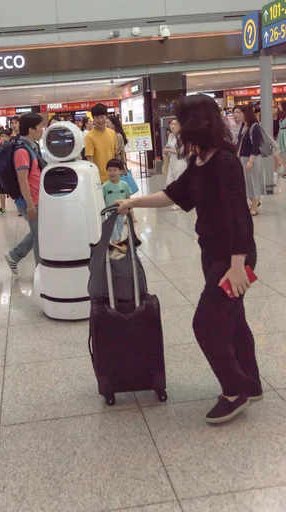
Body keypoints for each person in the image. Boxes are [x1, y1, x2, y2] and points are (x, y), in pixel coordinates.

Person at [117, 94, 262, 425]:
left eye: (181, 120)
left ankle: (234, 391)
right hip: (213, 254)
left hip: (232, 257)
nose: (177, 127)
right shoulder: (200, 161)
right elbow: (173, 194)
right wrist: (133, 203)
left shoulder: (223, 162)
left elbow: (239, 216)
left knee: (206, 324)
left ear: (196, 123)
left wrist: (238, 265)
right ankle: (251, 385)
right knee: (234, 321)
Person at [4, 112, 45, 276]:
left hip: (36, 199)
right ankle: (40, 272)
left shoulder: (32, 147)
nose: (43, 130)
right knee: (39, 236)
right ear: (31, 129)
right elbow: (23, 180)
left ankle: (14, 256)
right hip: (30, 201)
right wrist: (30, 205)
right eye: (40, 127)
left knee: (38, 232)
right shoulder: (22, 151)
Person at [238, 105, 265, 216]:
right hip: (243, 158)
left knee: (254, 183)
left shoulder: (255, 127)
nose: (237, 115)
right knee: (247, 183)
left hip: (251, 159)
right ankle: (255, 202)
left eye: (240, 113)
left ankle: (254, 207)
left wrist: (251, 161)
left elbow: (255, 145)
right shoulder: (243, 126)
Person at [85, 103, 118, 183]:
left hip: (113, 178)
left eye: (102, 117)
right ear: (93, 119)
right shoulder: (89, 136)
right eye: (97, 118)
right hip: (99, 180)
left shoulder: (112, 133)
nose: (100, 120)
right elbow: (90, 161)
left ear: (106, 117)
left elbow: (115, 154)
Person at [103, 159, 131, 242]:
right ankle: (115, 248)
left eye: (115, 170)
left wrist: (130, 209)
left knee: (119, 231)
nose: (112, 172)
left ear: (121, 171)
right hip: (109, 214)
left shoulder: (124, 185)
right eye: (109, 170)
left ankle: (117, 247)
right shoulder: (105, 186)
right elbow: (101, 199)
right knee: (113, 232)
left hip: (121, 213)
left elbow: (128, 197)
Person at [163, 119, 188, 211]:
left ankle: (180, 203)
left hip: (180, 162)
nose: (172, 126)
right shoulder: (170, 136)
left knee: (179, 182)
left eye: (175, 124)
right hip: (171, 162)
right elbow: (168, 146)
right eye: (171, 124)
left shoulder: (182, 137)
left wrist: (168, 150)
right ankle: (175, 200)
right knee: (170, 182)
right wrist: (166, 149)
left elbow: (181, 152)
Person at [0, 130, 11, 214]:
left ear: (9, 138)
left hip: (10, 171)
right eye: (2, 136)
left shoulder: (11, 146)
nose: (4, 138)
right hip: (1, 172)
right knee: (1, 190)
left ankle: (20, 207)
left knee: (15, 190)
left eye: (5, 136)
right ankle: (3, 207)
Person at [276, 101, 286, 178]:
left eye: (279, 105)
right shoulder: (281, 115)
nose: (278, 106)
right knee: (277, 153)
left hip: (284, 134)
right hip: (281, 134)